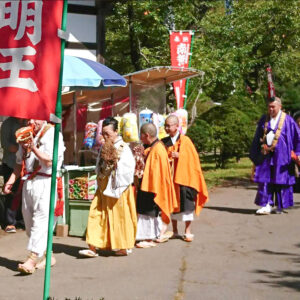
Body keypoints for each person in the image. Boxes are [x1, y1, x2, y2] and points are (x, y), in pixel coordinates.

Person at [3, 119, 65, 274]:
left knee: (41, 221)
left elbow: (50, 161)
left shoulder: (52, 133)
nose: (31, 121)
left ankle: (32, 259)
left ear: (43, 118)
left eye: (34, 118)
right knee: (29, 223)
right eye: (29, 118)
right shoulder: (25, 134)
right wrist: (10, 181)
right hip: (29, 182)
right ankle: (48, 255)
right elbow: (19, 163)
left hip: (47, 181)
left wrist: (33, 148)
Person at [79, 117, 137, 257]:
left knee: (119, 218)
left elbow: (128, 170)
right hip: (103, 186)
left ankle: (122, 246)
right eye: (103, 134)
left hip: (118, 187)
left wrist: (114, 167)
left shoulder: (124, 148)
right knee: (96, 214)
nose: (105, 137)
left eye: (108, 134)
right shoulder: (104, 147)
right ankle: (93, 246)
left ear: (116, 132)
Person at [161, 115, 208, 242]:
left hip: (184, 178)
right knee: (173, 205)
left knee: (187, 205)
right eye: (165, 125)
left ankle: (187, 231)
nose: (166, 128)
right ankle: (175, 230)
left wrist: (180, 155)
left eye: (169, 125)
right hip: (170, 179)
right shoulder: (164, 142)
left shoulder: (185, 140)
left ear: (177, 126)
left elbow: (193, 158)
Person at [250, 97, 300, 214]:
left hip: (283, 156)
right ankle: (266, 204)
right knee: (265, 180)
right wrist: (258, 150)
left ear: (280, 107)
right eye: (269, 107)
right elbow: (257, 137)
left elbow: (298, 138)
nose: (271, 109)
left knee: (281, 180)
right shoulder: (264, 119)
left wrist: (297, 153)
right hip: (266, 156)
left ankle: (280, 206)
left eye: (273, 107)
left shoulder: (288, 121)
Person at [135, 123, 177, 248]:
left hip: (152, 186)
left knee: (148, 211)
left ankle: (149, 238)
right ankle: (149, 236)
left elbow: (155, 172)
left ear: (146, 135)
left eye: (141, 136)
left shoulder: (157, 150)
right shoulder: (155, 147)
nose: (140, 138)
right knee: (145, 211)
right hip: (150, 184)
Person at [1, 117, 26, 233]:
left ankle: (21, 220)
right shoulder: (7, 124)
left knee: (23, 193)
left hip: (26, 165)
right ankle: (10, 222)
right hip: (11, 163)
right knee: (11, 193)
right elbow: (6, 145)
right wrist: (22, 148)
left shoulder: (28, 123)